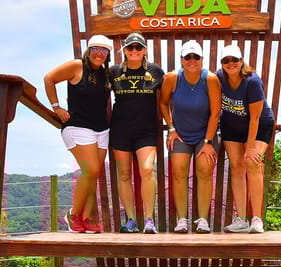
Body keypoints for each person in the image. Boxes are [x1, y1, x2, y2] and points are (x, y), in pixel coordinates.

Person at [44, 34, 113, 233]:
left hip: (101, 129)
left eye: (103, 50)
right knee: (90, 170)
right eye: (95, 49)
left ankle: (84, 220)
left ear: (108, 54)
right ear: (88, 50)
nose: (99, 53)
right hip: (78, 127)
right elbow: (49, 79)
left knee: (94, 174)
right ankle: (73, 215)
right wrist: (56, 106)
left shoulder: (105, 73)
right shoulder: (77, 66)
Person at [158, 40, 222, 233]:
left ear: (202, 59)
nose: (192, 60)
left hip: (206, 135)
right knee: (178, 173)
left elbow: (215, 112)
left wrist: (209, 142)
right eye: (188, 57)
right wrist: (171, 128)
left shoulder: (210, 79)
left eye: (195, 57)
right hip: (181, 135)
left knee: (204, 172)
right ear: (181, 60)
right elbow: (163, 103)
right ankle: (182, 220)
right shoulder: (172, 78)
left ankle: (202, 220)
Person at [109, 33, 165, 233]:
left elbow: (167, 98)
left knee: (147, 170)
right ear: (124, 50)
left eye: (138, 48)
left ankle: (149, 219)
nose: (134, 51)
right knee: (124, 174)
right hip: (120, 130)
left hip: (146, 131)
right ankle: (131, 220)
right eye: (130, 48)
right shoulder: (113, 71)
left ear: (145, 50)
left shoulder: (155, 71)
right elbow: (96, 92)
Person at [217, 45, 274, 233]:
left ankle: (256, 219)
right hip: (232, 125)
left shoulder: (252, 81)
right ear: (222, 64)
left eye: (234, 60)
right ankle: (241, 219)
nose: (230, 63)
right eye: (226, 61)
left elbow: (255, 117)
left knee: (252, 163)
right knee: (237, 167)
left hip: (258, 125)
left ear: (242, 61)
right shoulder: (219, 78)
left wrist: (250, 147)